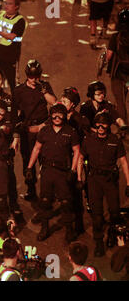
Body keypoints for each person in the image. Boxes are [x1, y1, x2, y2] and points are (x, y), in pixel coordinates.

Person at [26, 103, 80, 242]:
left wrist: (73, 171)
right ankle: (45, 228)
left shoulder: (71, 132)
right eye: (54, 114)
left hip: (62, 172)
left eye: (60, 114)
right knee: (44, 201)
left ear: (64, 116)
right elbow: (36, 149)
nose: (57, 117)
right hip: (47, 171)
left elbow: (76, 151)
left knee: (66, 202)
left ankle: (69, 230)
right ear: (50, 116)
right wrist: (29, 167)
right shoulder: (44, 131)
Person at [77, 111, 129, 257]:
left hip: (110, 180)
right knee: (97, 215)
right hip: (94, 180)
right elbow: (81, 158)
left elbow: (124, 162)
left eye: (104, 124)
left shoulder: (115, 140)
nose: (101, 127)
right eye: (98, 124)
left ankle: (112, 236)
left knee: (114, 212)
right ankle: (99, 241)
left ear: (109, 126)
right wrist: (79, 179)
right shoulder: (88, 140)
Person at [14, 60, 56, 202]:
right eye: (31, 77)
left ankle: (48, 193)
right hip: (27, 131)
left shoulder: (44, 86)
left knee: (46, 161)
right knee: (27, 162)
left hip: (43, 128)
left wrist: (43, 91)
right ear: (27, 75)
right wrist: (17, 135)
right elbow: (15, 113)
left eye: (36, 76)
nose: (34, 79)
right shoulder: (19, 91)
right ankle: (31, 190)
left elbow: (54, 102)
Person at [60, 86, 90, 236]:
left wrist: (79, 172)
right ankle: (69, 225)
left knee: (76, 192)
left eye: (65, 100)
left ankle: (78, 224)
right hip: (62, 160)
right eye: (62, 99)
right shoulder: (58, 116)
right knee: (65, 195)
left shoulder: (79, 121)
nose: (62, 102)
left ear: (73, 104)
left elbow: (84, 143)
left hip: (75, 160)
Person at [107, 9, 129, 122]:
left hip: (118, 73)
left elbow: (109, 56)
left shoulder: (116, 37)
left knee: (120, 101)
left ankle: (123, 128)